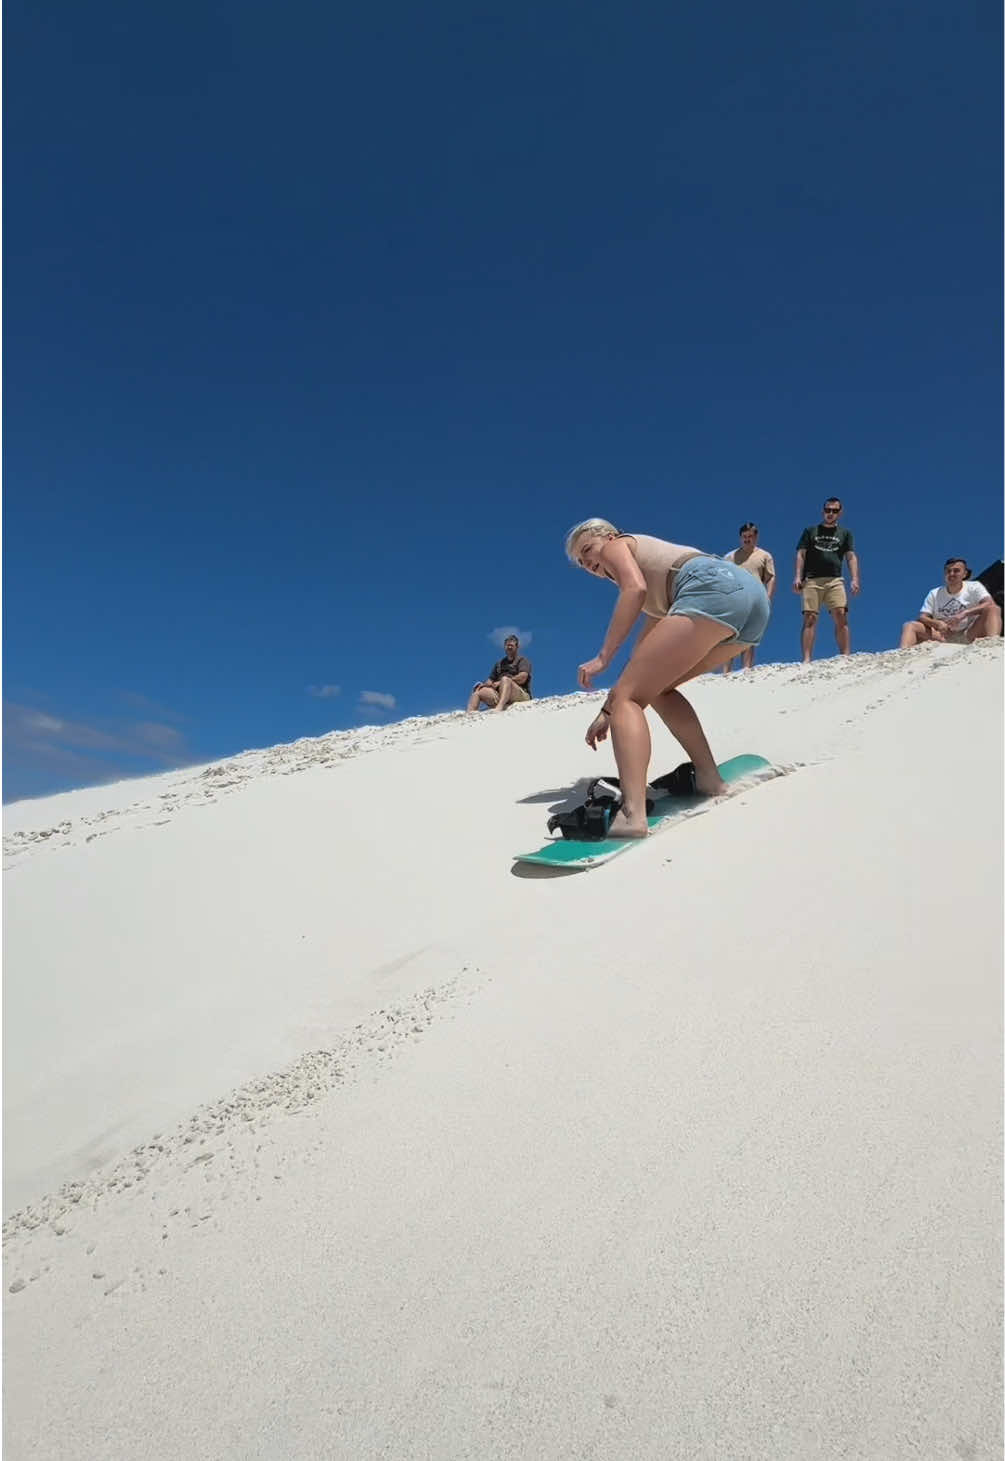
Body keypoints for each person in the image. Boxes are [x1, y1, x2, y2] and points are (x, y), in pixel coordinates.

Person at [565, 518, 771, 838]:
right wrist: (608, 710)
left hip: (709, 588)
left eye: (588, 550)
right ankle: (709, 778)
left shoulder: (619, 545)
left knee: (629, 700)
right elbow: (641, 664)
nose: (589, 562)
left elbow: (634, 588)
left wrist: (603, 657)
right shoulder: (659, 599)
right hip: (751, 601)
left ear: (609, 536)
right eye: (581, 562)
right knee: (655, 689)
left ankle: (632, 813)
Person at [794, 499, 860, 661]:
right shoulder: (810, 531)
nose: (831, 513)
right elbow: (801, 554)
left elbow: (851, 557)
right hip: (812, 580)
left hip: (835, 579)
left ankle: (845, 656)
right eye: (828, 510)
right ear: (823, 511)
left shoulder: (845, 533)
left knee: (840, 614)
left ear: (840, 513)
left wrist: (855, 579)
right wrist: (797, 576)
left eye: (835, 511)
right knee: (810, 617)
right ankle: (807, 659)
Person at [899, 558, 1002, 647]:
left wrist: (964, 613)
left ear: (965, 574)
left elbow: (989, 603)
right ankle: (901, 658)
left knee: (993, 609)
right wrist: (937, 623)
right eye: (948, 571)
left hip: (969, 633)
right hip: (942, 636)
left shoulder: (974, 586)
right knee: (909, 626)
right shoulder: (934, 593)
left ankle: (992, 645)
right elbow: (922, 617)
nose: (951, 574)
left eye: (956, 571)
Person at [722, 523, 775, 671]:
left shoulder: (765, 556)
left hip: (755, 600)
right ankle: (726, 670)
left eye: (750, 536)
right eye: (744, 537)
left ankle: (746, 668)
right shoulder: (729, 557)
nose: (747, 539)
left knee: (749, 634)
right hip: (734, 599)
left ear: (756, 537)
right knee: (729, 634)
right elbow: (722, 578)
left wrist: (768, 598)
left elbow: (770, 577)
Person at [467, 635, 533, 712]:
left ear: (517, 647)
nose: (509, 647)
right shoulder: (499, 664)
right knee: (478, 691)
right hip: (500, 694)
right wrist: (483, 685)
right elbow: (490, 681)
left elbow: (523, 677)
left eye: (511, 645)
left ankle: (499, 708)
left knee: (505, 679)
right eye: (507, 645)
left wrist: (501, 682)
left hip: (520, 694)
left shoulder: (522, 660)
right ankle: (469, 714)